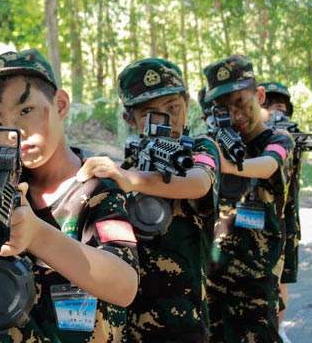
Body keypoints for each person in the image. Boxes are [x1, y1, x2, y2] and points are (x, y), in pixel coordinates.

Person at [0, 48, 139, 342]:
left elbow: (124, 285)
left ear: (60, 104)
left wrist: (36, 234)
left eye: (26, 110)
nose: (14, 129)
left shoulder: (96, 189)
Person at [77, 58, 221, 342]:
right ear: (128, 119)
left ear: (187, 102)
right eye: (149, 114)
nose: (165, 120)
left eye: (172, 108)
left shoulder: (200, 150)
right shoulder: (128, 164)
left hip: (183, 316)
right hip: (129, 317)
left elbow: (200, 183)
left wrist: (132, 180)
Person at [202, 55, 295, 343]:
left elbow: (269, 164)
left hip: (256, 291)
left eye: (240, 102)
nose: (234, 115)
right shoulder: (213, 145)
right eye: (222, 108)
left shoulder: (278, 141)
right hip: (211, 287)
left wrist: (226, 165)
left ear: (259, 95)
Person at [259, 81, 299, 343]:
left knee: (283, 276)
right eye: (269, 106)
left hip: (286, 219)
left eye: (281, 108)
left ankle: (279, 326)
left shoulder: (289, 138)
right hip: (259, 221)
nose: (276, 113)